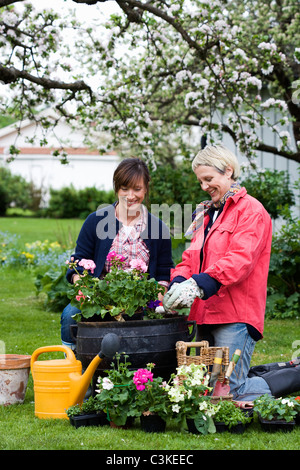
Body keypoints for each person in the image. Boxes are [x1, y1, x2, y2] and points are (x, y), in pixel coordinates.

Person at [163, 144, 274, 401]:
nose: (204, 186)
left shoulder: (251, 211)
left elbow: (240, 260)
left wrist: (199, 284)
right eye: (200, 181)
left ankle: (286, 383)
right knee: (198, 388)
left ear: (228, 171)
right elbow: (191, 258)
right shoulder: (208, 213)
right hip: (204, 313)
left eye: (209, 179)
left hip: (235, 315)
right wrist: (179, 281)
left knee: (229, 391)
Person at [61, 157, 174, 350]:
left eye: (137, 189)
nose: (130, 196)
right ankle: (74, 363)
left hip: (141, 300)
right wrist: (84, 289)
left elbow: (164, 273)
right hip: (100, 298)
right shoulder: (96, 221)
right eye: (124, 189)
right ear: (116, 189)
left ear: (146, 188)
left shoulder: (157, 228)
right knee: (70, 314)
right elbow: (79, 262)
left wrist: (158, 299)